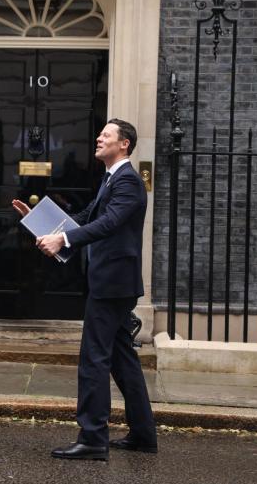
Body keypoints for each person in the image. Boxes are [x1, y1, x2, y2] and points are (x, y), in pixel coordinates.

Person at [12, 118, 156, 461]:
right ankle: (143, 434)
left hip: (112, 284)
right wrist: (38, 220)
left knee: (94, 358)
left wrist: (61, 238)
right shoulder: (111, 181)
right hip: (112, 282)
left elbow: (107, 225)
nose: (98, 138)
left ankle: (93, 437)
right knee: (122, 360)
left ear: (124, 144)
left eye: (106, 135)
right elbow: (85, 219)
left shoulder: (129, 183)